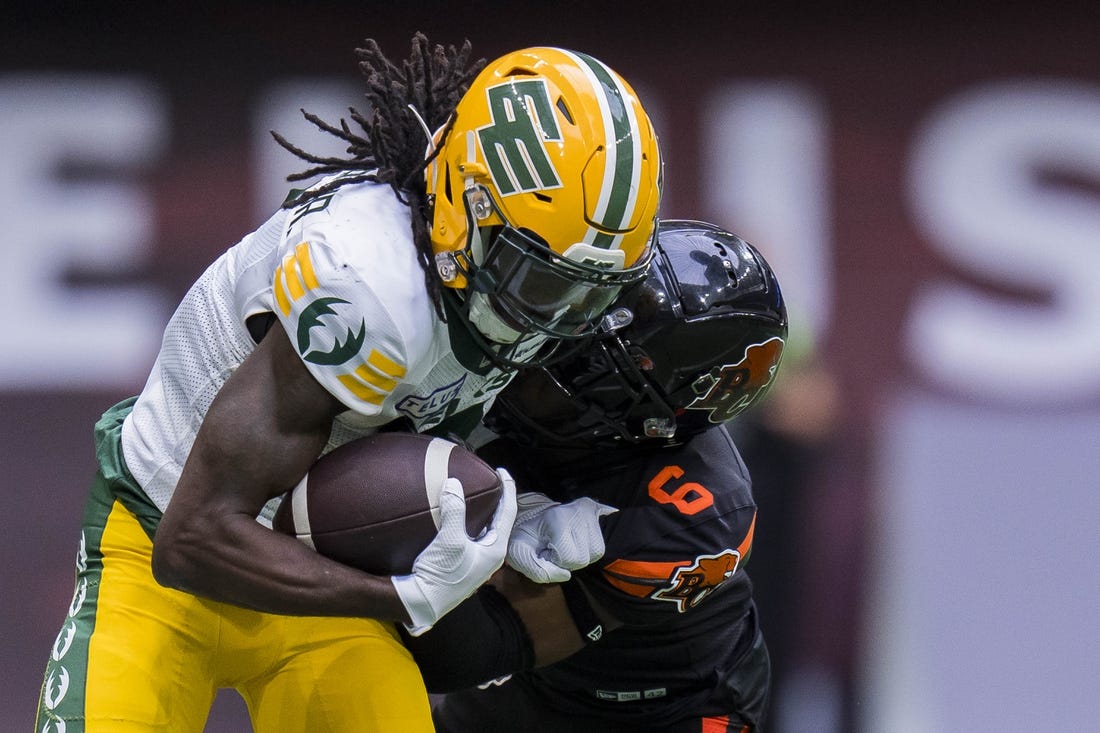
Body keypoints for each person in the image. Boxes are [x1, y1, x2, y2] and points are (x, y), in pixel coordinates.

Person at [36, 34, 662, 732]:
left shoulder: (502, 284)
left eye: (588, 294)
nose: (558, 319)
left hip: (313, 575)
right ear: (465, 208)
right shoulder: (368, 283)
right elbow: (195, 538)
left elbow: (410, 446)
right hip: (162, 543)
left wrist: (508, 514)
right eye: (542, 280)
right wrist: (400, 592)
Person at [401, 219, 788, 732]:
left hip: (667, 713)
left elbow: (476, 652)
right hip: (542, 692)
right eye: (581, 311)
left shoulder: (689, 517)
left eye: (596, 362)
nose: (555, 350)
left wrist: (411, 574)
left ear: (656, 414)